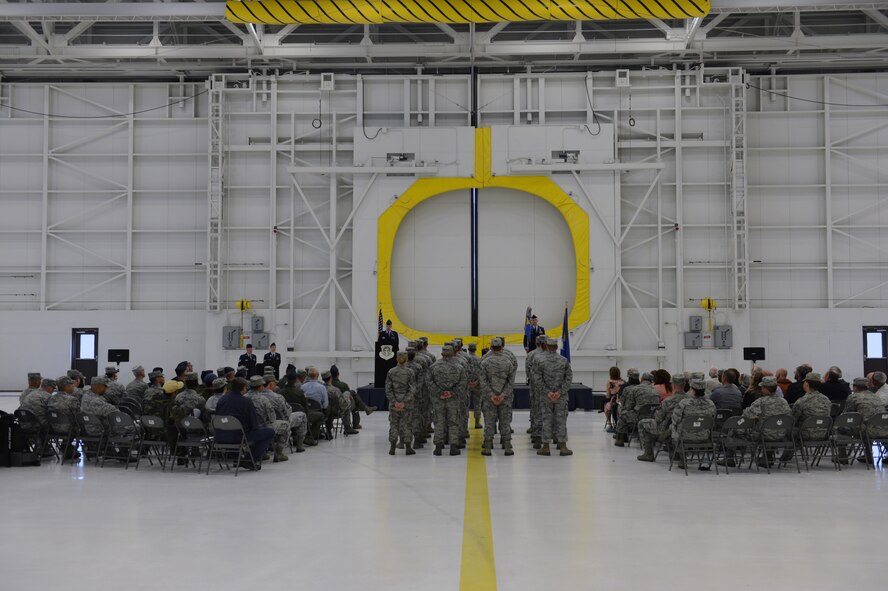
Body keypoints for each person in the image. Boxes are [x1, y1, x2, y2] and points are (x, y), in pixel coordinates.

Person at [215, 377, 274, 470]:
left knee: (233, 431)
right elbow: (254, 425)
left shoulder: (221, 400)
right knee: (269, 432)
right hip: (239, 436)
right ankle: (249, 459)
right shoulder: (246, 402)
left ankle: (237, 459)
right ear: (242, 389)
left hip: (220, 436)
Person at [740, 375, 792, 468]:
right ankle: (767, 457)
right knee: (771, 428)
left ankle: (730, 456)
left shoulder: (760, 401)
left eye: (762, 387)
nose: (761, 389)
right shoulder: (784, 401)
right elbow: (789, 416)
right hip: (781, 434)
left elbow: (747, 414)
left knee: (746, 429)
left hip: (763, 434)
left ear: (766, 389)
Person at [637, 372, 689, 462]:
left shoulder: (668, 401)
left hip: (665, 429)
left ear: (673, 384)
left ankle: (648, 454)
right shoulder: (690, 400)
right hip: (685, 429)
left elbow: (658, 419)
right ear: (684, 384)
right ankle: (676, 454)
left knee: (642, 423)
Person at [534, 337, 572, 456]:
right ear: (556, 347)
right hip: (560, 397)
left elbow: (537, 379)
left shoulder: (540, 360)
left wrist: (547, 392)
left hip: (546, 397)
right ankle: (563, 447)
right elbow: (569, 378)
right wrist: (560, 392)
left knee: (546, 420)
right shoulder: (564, 360)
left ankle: (545, 447)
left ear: (546, 346)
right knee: (561, 420)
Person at [428, 344, 467, 456]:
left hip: (439, 399)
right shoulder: (460, 366)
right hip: (453, 399)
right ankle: (453, 447)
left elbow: (429, 382)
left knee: (439, 422)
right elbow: (463, 382)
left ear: (442, 354)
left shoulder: (434, 366)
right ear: (453, 353)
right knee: (453, 422)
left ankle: (438, 447)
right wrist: (452, 392)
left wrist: (439, 392)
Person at [670, 377, 717, 469]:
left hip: (685, 436)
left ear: (692, 390)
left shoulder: (684, 403)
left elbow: (675, 419)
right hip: (704, 436)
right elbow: (713, 419)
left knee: (672, 427)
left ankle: (682, 459)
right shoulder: (711, 404)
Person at [479, 338, 515, 457]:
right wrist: (503, 395)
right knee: (505, 422)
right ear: (502, 348)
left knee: (489, 422)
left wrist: (492, 395)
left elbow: (483, 381)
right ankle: (507, 447)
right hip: (505, 398)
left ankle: (488, 448)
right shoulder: (508, 362)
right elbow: (511, 382)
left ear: (491, 348)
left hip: (490, 399)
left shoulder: (485, 362)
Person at [245, 376, 290, 462]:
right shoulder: (263, 399)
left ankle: (263, 452)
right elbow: (272, 418)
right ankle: (278, 454)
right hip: (263, 427)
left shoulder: (243, 397)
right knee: (286, 425)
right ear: (261, 386)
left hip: (247, 428)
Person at [263, 373, 308, 454]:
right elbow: (287, 411)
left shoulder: (256, 396)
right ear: (271, 384)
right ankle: (299, 445)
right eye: (275, 384)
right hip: (279, 422)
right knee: (302, 415)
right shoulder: (277, 397)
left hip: (263, 423)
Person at [614, 371, 658, 447]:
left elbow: (628, 407)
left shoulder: (635, 389)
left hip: (638, 416)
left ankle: (620, 439)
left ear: (642, 379)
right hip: (653, 417)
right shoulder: (655, 389)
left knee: (623, 414)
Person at [385, 351, 416, 455]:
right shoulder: (410, 372)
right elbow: (412, 389)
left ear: (396, 359)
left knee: (394, 424)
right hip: (406, 404)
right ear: (406, 359)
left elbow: (388, 389)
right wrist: (404, 401)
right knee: (407, 424)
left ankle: (392, 447)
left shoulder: (391, 372)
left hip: (394, 404)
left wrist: (395, 402)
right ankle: (408, 448)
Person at [331, 364, 376, 430]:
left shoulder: (325, 386)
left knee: (353, 395)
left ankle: (366, 409)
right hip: (342, 409)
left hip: (331, 409)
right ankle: (356, 424)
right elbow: (349, 398)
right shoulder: (343, 385)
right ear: (338, 374)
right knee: (355, 401)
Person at [526, 334, 548, 444]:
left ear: (536, 343)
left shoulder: (531, 355)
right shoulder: (551, 355)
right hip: (549, 388)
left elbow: (528, 372)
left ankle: (536, 433)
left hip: (535, 386)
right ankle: (550, 433)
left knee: (536, 408)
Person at [323, 370, 359, 436]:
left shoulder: (321, 388)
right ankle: (347, 427)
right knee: (347, 402)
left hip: (324, 411)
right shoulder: (335, 390)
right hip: (335, 411)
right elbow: (342, 404)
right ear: (330, 378)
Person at [465, 342, 483, 431]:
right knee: (477, 404)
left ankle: (464, 424)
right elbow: (482, 372)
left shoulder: (464, 359)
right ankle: (477, 423)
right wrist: (476, 382)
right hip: (477, 384)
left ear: (468, 349)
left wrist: (467, 382)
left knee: (465, 404)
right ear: (475, 349)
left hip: (466, 385)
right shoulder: (479, 359)